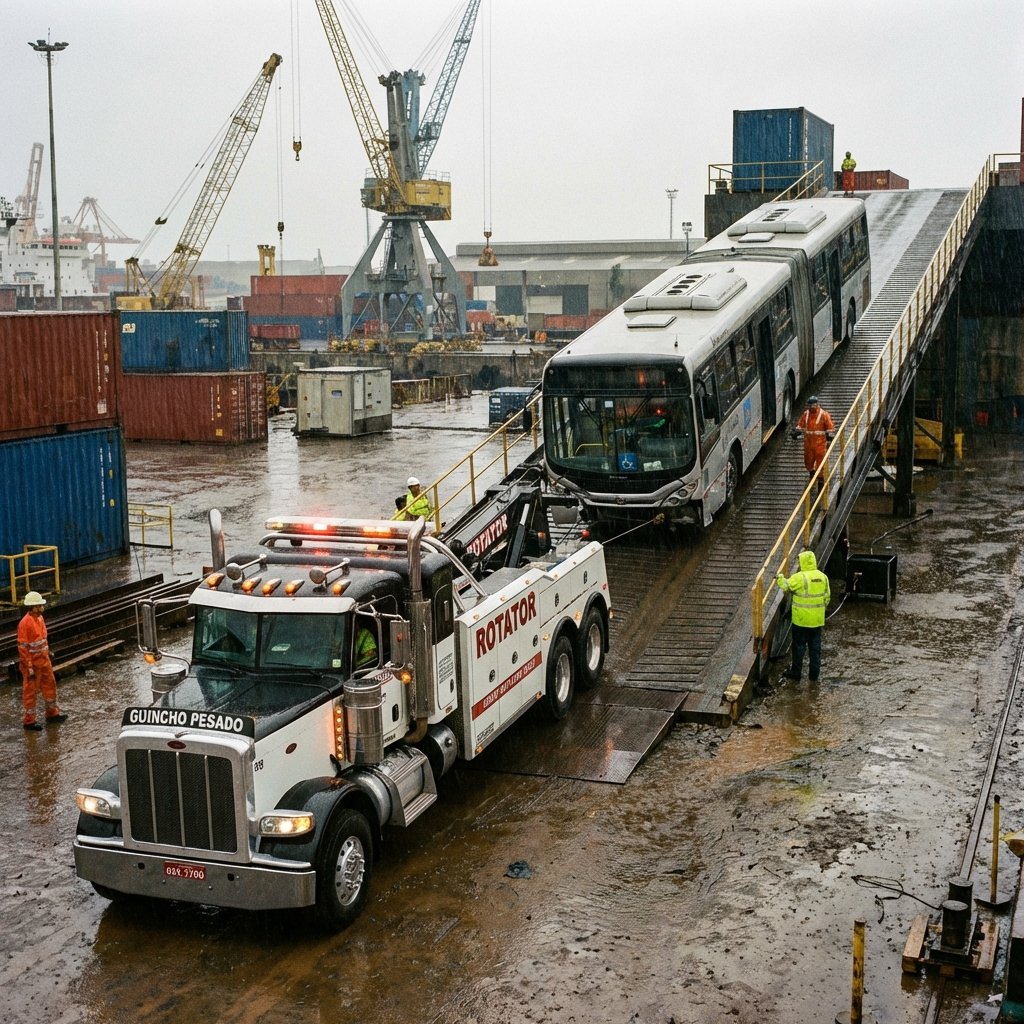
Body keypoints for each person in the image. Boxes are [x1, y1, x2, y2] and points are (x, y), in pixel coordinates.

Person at [776, 549, 831, 682]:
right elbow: (827, 598)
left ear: (803, 562)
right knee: (815, 649)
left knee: (799, 648)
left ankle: (796, 673)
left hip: (801, 621)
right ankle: (814, 676)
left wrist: (779, 577)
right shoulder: (823, 577)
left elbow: (785, 586)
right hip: (816, 622)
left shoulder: (799, 577)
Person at [18, 591, 67, 730]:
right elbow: (23, 647)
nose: (41, 608)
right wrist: (29, 666)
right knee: (30, 692)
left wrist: (47, 652)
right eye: (39, 606)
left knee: (50, 686)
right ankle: (29, 722)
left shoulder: (39, 619)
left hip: (44, 660)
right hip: (32, 664)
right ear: (32, 607)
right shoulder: (25, 623)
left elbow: (42, 640)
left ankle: (52, 714)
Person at [793, 396, 835, 489]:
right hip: (808, 443)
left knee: (820, 463)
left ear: (817, 404)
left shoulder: (824, 415)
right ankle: (811, 473)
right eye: (810, 405)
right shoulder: (806, 414)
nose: (811, 407)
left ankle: (820, 482)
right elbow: (801, 425)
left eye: (813, 405)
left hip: (820, 444)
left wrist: (829, 436)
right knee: (808, 461)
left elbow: (830, 427)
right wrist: (796, 432)